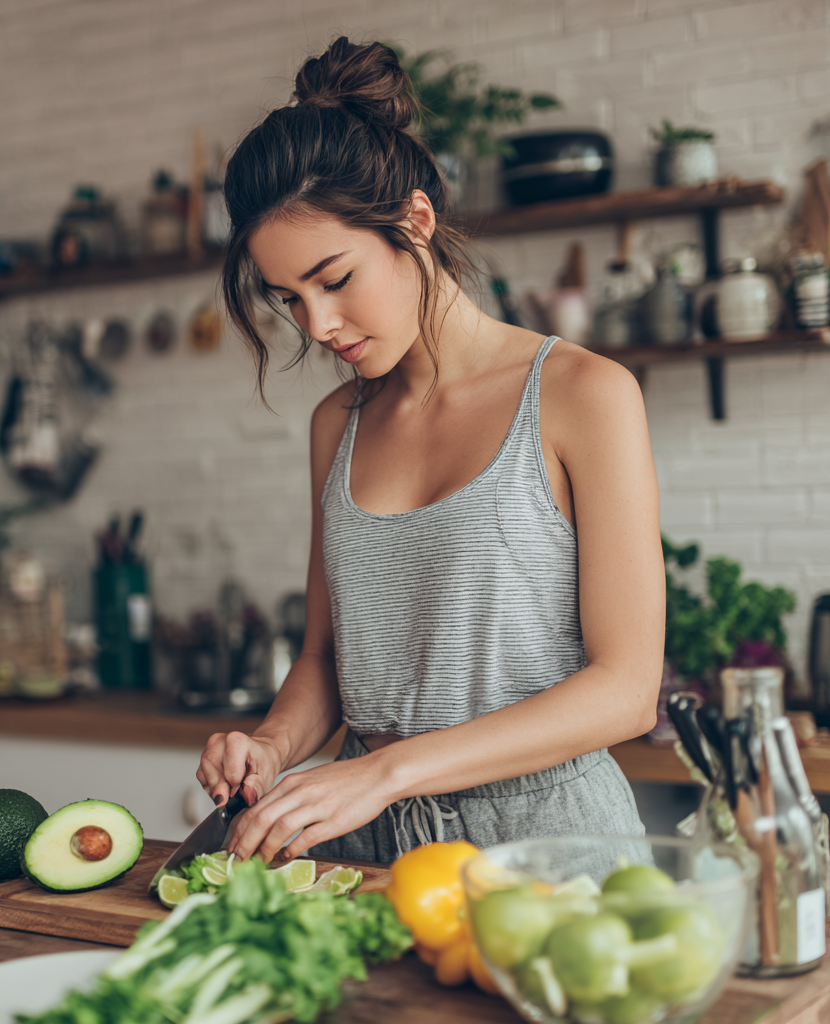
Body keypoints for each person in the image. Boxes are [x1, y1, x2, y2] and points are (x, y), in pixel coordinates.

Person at [195, 37, 664, 864]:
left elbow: (625, 692)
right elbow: (325, 659)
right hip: (367, 845)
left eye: (335, 279)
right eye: (288, 299)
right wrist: (271, 745)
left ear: (415, 222)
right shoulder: (338, 424)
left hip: (547, 847)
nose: (318, 325)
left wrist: (385, 773)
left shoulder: (582, 393)